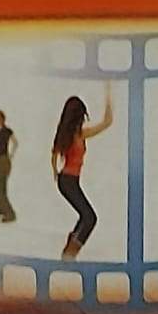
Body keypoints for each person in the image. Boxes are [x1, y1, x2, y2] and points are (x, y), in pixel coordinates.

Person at [51, 87, 113, 259]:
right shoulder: (74, 135)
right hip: (68, 181)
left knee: (85, 216)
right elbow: (54, 152)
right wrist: (56, 172)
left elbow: (107, 122)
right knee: (90, 217)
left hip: (69, 180)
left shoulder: (75, 134)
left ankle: (69, 249)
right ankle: (70, 253)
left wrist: (108, 97)